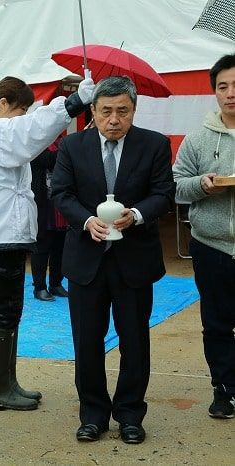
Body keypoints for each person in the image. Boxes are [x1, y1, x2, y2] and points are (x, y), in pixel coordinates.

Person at [51, 76, 175, 444]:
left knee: (135, 340)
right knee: (86, 341)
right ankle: (92, 414)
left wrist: (136, 214)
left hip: (134, 261)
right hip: (86, 261)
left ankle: (130, 414)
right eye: (106, 111)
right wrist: (87, 220)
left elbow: (164, 193)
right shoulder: (73, 147)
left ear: (133, 110)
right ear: (93, 111)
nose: (114, 119)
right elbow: (60, 192)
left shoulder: (154, 145)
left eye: (123, 111)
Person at [0, 73, 95, 411]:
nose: (24, 116)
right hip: (1, 233)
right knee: (6, 312)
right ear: (3, 104)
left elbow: (32, 124)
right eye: (21, 109)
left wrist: (67, 105)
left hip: (7, 231)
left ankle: (7, 383)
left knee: (11, 311)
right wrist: (73, 104)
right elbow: (28, 131)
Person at [172, 53, 235, 420]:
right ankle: (223, 391)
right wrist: (202, 184)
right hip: (211, 245)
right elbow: (176, 187)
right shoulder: (197, 139)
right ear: (214, 92)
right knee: (216, 323)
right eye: (222, 86)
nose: (230, 94)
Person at [30, 138, 69, 301]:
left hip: (60, 205)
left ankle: (56, 283)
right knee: (41, 246)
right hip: (42, 204)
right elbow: (51, 160)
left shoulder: (62, 145)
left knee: (59, 246)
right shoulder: (34, 146)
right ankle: (39, 287)